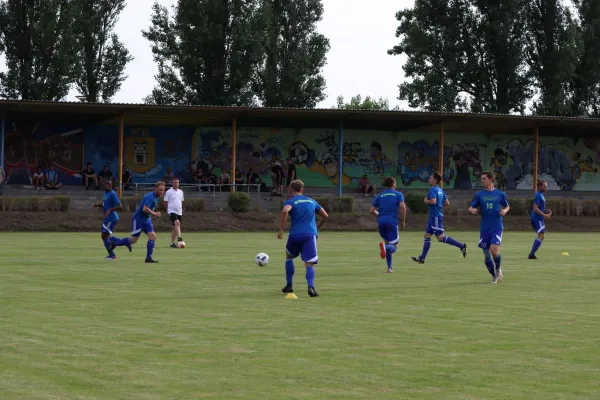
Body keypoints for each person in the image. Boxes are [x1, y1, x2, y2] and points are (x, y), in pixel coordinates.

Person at [278, 179, 329, 297]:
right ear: (302, 189)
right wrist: (316, 228)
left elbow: (285, 211)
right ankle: (311, 287)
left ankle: (289, 285)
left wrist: (281, 230)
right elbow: (325, 216)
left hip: (295, 234)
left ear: (290, 189)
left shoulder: (290, 201)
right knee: (309, 263)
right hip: (309, 235)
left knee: (289, 257)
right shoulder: (311, 201)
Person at [412, 172, 467, 264]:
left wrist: (426, 200)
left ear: (434, 180)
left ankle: (461, 246)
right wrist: (439, 204)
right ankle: (422, 258)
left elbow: (433, 201)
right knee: (427, 235)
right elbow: (447, 203)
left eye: (430, 178)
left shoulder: (432, 190)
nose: (429, 180)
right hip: (434, 216)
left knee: (441, 238)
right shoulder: (440, 190)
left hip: (435, 216)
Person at [468, 172, 510, 284]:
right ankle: (494, 276)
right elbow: (471, 207)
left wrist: (504, 211)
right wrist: (472, 210)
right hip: (484, 228)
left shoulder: (500, 194)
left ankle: (498, 269)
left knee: (494, 250)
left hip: (497, 227)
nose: (482, 181)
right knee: (487, 255)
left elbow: (507, 206)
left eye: (484, 179)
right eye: (481, 179)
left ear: (491, 179)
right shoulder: (479, 195)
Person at [110, 181, 166, 263]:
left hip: (146, 219)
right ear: (155, 189)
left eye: (163, 190)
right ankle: (114, 243)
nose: (162, 192)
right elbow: (145, 209)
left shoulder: (155, 197)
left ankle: (148, 258)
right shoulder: (151, 196)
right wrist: (155, 213)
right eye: (160, 190)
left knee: (152, 236)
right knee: (133, 240)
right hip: (138, 219)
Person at [369, 176, 406, 273]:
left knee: (387, 242)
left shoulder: (380, 196)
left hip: (381, 222)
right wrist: (403, 220)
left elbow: (371, 210)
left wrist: (379, 215)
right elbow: (403, 207)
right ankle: (384, 248)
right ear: (393, 184)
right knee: (394, 246)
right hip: (392, 222)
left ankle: (389, 268)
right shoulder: (398, 194)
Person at [93, 180, 131, 259]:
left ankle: (112, 255)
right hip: (108, 218)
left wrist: (110, 210)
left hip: (112, 218)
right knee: (105, 236)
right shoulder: (105, 193)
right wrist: (97, 205)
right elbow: (105, 204)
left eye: (108, 184)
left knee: (104, 237)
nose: (106, 186)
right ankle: (125, 242)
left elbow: (120, 205)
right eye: (105, 184)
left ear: (110, 185)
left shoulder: (113, 193)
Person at [529, 180, 552, 259]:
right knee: (541, 236)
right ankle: (531, 255)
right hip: (537, 218)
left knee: (541, 236)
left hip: (539, 218)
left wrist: (545, 210)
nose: (546, 188)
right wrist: (545, 215)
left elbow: (539, 208)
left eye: (546, 186)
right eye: (544, 186)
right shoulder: (538, 195)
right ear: (540, 186)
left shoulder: (541, 194)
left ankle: (532, 254)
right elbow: (535, 208)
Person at [164, 177, 184, 248]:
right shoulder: (168, 192)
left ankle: (172, 243)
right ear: (172, 183)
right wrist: (168, 210)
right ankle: (179, 238)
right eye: (175, 182)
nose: (176, 184)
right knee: (177, 223)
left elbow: (181, 201)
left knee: (175, 227)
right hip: (171, 211)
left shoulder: (181, 192)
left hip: (179, 211)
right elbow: (165, 202)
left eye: (177, 182)